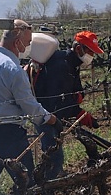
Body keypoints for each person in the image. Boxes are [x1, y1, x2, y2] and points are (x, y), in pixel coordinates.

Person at [0, 19, 63, 195]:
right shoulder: (12, 68)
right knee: (29, 188)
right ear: (17, 40)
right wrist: (50, 119)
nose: (28, 46)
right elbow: (28, 105)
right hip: (8, 134)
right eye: (27, 43)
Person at [26, 31, 104, 180]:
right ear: (78, 48)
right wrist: (78, 112)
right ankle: (45, 187)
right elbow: (55, 101)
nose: (92, 56)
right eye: (90, 51)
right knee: (54, 156)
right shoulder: (61, 65)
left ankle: (51, 179)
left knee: (55, 153)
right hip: (45, 114)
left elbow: (75, 89)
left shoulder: (73, 63)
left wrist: (79, 96)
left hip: (54, 113)